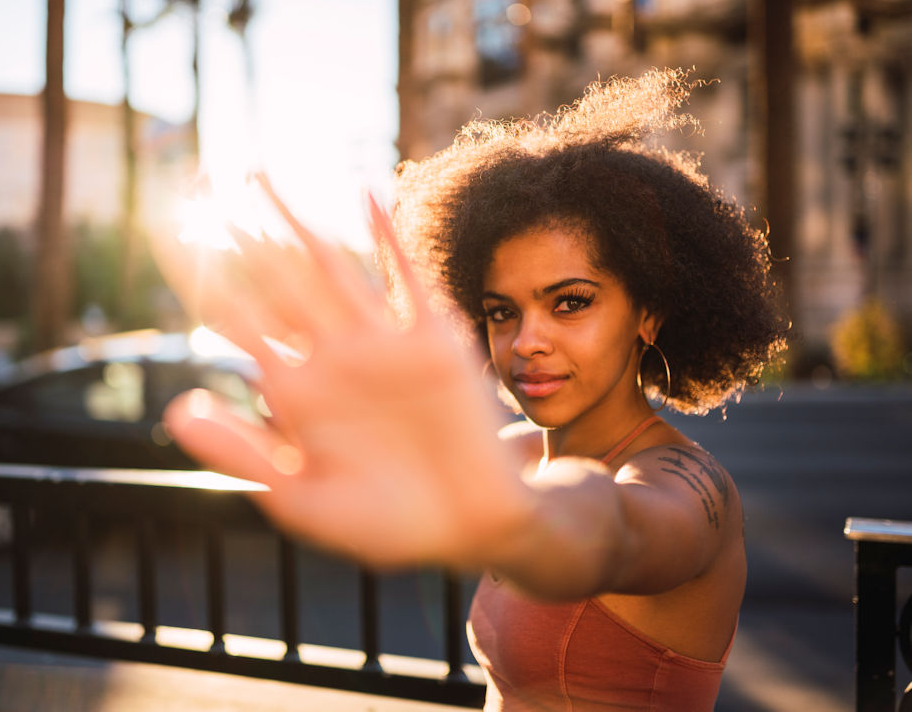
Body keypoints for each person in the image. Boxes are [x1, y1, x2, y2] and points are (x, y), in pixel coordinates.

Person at [155, 68, 789, 711]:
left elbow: (610, 527)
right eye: (501, 311)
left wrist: (505, 517)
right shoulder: (511, 454)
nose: (525, 341)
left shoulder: (686, 485)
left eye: (570, 303)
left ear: (647, 315)